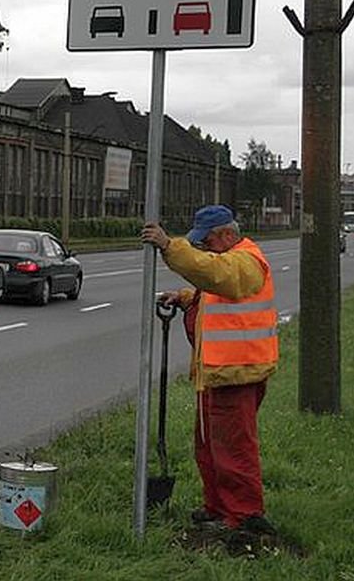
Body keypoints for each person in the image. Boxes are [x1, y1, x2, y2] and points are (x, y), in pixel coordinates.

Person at [141, 204, 278, 538]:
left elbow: (217, 275)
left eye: (207, 241)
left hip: (237, 373)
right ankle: (217, 507)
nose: (203, 247)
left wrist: (169, 246)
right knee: (208, 446)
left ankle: (244, 516)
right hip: (219, 372)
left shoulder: (246, 261)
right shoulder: (231, 258)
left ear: (228, 234)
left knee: (233, 448)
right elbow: (219, 295)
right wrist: (187, 298)